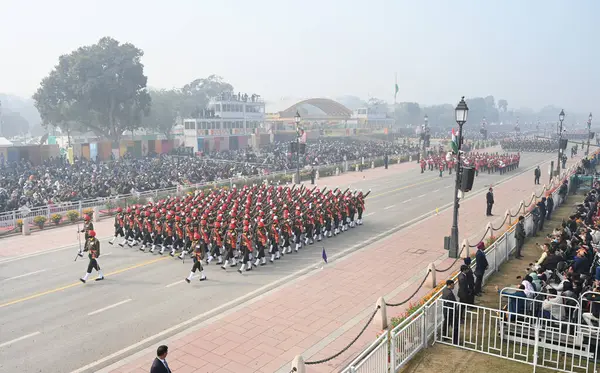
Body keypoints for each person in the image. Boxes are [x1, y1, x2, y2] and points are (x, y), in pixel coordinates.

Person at [441, 280, 459, 344]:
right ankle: (455, 341)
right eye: (453, 284)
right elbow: (452, 303)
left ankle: (445, 337)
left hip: (446, 311)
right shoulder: (449, 293)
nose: (454, 286)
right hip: (450, 311)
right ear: (450, 284)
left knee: (446, 323)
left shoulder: (444, 290)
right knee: (455, 325)